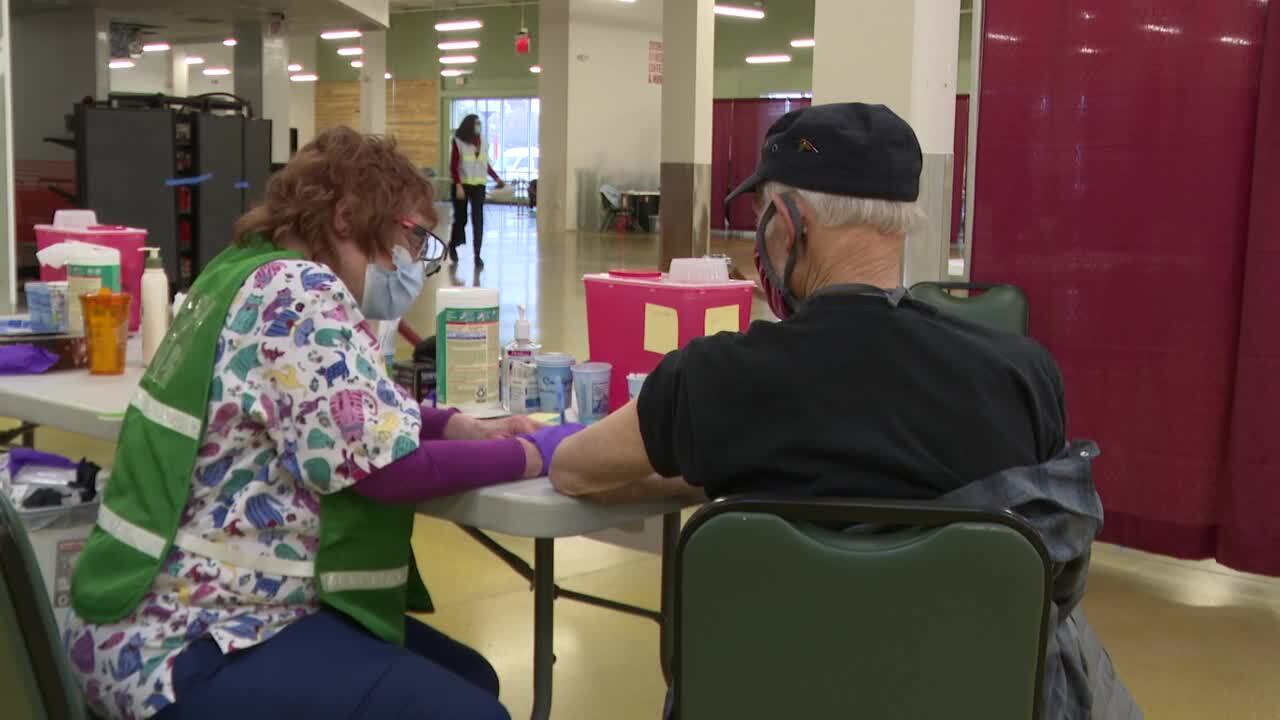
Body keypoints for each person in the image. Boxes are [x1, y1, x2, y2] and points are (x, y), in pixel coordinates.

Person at [548, 103, 1141, 719]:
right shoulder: (1024, 375)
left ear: (787, 221)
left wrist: (715, 468)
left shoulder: (716, 378)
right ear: (901, 223)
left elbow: (575, 468)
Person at [65, 127, 579, 720]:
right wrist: (536, 453)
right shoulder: (299, 289)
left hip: (145, 611)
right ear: (346, 217)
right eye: (408, 239)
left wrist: (451, 424)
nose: (410, 265)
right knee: (471, 711)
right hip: (196, 635)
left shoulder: (240, 270)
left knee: (471, 675)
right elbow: (386, 471)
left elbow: (337, 410)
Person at [449, 114, 505, 269]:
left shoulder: (483, 141)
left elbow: (484, 164)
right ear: (469, 125)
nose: (479, 127)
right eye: (476, 124)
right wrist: (458, 184)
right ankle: (453, 245)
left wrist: (497, 178)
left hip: (479, 186)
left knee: (478, 221)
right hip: (462, 185)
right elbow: (453, 165)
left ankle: (477, 255)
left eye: (479, 124)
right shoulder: (458, 141)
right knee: (461, 220)